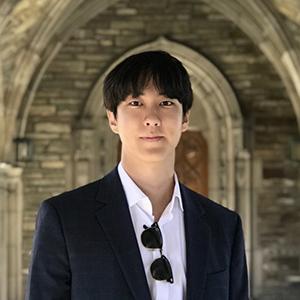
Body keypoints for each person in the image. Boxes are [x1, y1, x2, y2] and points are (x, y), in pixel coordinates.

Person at [25, 50, 249, 300]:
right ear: (112, 119)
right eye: (135, 103)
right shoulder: (64, 219)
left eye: (166, 103)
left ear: (185, 117)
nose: (152, 118)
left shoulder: (224, 227)